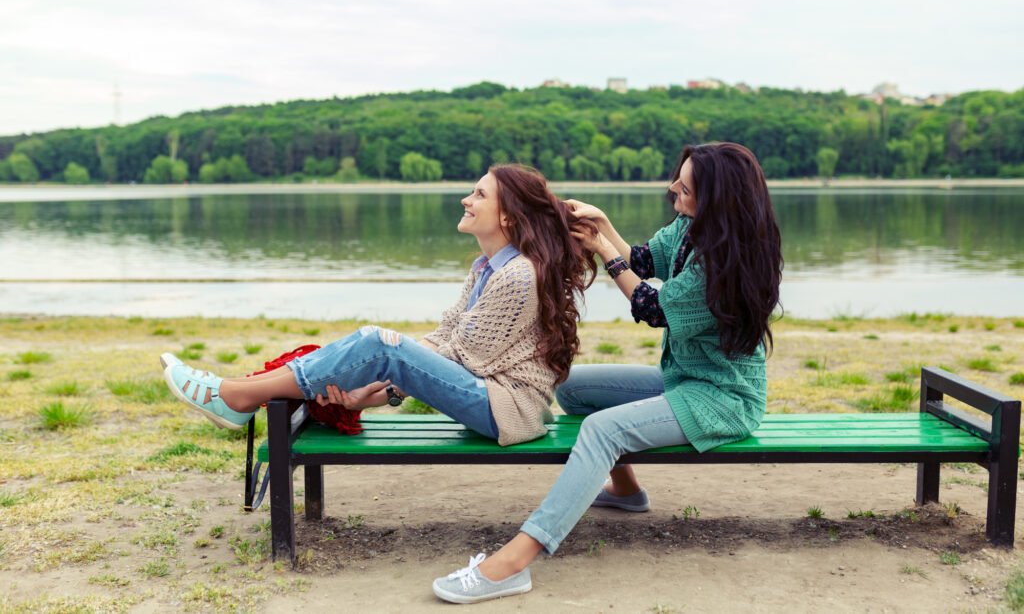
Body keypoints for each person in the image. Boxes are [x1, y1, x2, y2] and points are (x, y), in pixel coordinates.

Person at [432, 142, 783, 604]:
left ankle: (514, 563)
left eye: (686, 186)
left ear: (717, 197)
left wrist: (602, 251)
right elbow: (644, 262)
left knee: (602, 430)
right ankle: (626, 491)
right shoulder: (689, 226)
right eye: (678, 178)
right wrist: (603, 226)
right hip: (685, 380)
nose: (673, 188)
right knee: (572, 389)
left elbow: (654, 308)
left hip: (723, 397)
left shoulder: (721, 261)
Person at [161, 164, 597, 447]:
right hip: (486, 398)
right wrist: (374, 392)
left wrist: (383, 368)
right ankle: (238, 394)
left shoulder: (518, 274)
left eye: (479, 195)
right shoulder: (487, 266)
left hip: (510, 410)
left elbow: (465, 358)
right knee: (377, 347)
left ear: (508, 216)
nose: (466, 200)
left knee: (378, 343)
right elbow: (445, 338)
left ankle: (235, 395)